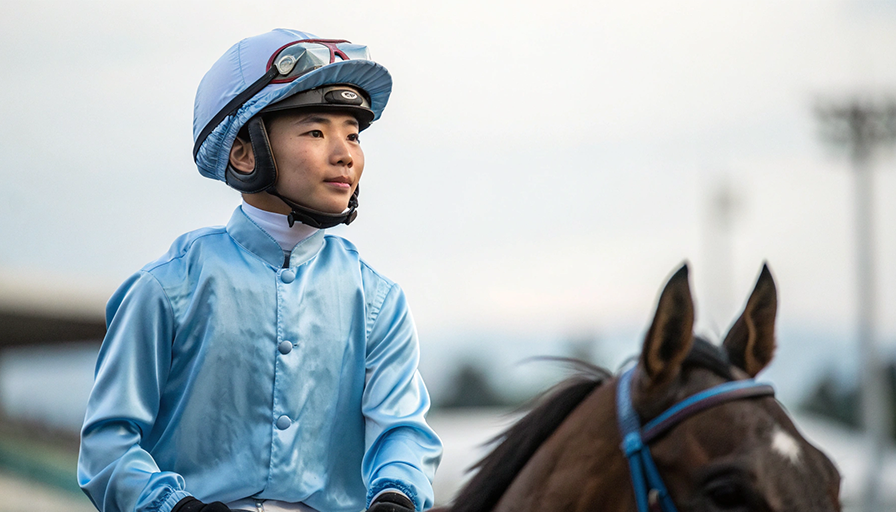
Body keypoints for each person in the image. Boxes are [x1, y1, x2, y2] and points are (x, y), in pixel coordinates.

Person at [78, 28, 442, 512]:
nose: (345, 153)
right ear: (244, 151)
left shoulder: (379, 300)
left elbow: (402, 430)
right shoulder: (166, 287)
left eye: (352, 134)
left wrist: (397, 495)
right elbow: (108, 445)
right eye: (316, 131)